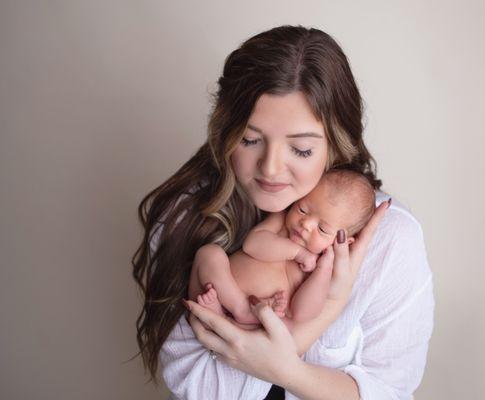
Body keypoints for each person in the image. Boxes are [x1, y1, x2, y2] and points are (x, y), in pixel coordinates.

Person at [132, 25, 434, 400]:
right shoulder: (186, 216)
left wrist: (289, 372)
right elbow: (198, 386)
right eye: (250, 140)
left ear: (335, 145)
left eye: (302, 150)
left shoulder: (391, 239)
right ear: (225, 133)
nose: (270, 168)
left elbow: (389, 391)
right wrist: (326, 313)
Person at [189, 169, 376, 329]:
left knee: (282, 325)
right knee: (209, 253)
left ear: (343, 241)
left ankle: (230, 318)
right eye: (302, 209)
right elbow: (252, 245)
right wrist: (297, 252)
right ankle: (236, 310)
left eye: (322, 229)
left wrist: (323, 271)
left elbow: (301, 314)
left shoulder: (320, 266)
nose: (306, 224)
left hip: (257, 321)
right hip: (217, 292)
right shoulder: (282, 221)